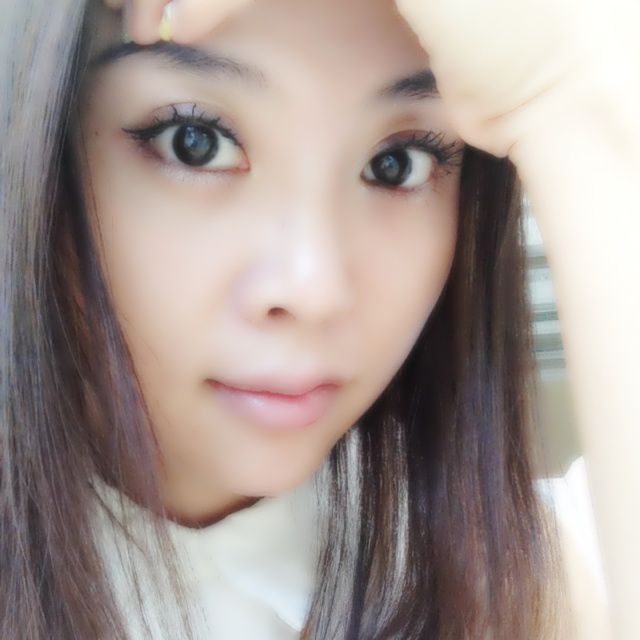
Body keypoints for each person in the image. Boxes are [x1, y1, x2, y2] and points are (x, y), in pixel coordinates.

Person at [1, 0, 637, 637]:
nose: (316, 289)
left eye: (398, 163)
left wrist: (576, 109)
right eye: (195, 143)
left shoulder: (510, 586)